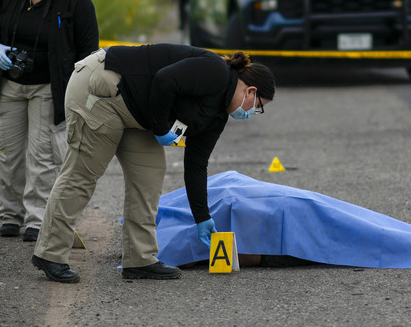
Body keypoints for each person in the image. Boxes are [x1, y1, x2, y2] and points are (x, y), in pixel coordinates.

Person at [30, 44, 275, 283]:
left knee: (149, 175)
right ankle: (49, 254)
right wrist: (160, 128)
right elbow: (164, 80)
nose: (252, 112)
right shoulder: (216, 72)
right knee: (82, 174)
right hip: (102, 87)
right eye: (258, 106)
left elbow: (197, 164)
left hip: (137, 111)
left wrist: (202, 217)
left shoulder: (217, 117)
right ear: (250, 91)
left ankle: (139, 259)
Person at [0, 0, 99, 243]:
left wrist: (81, 93)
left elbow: (89, 48)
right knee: (7, 153)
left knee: (43, 156)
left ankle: (36, 219)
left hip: (50, 86)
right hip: (10, 83)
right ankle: (9, 215)